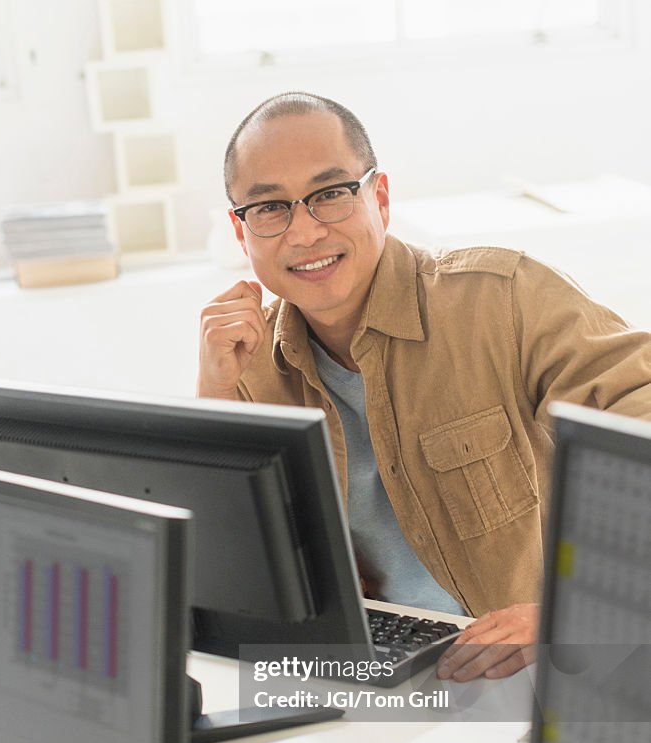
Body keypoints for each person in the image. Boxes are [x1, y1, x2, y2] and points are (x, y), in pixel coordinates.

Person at [197, 91, 651, 682]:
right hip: (369, 673)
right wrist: (214, 395)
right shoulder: (247, 364)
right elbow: (231, 582)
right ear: (241, 233)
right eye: (269, 208)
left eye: (331, 195)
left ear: (379, 199)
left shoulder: (502, 298)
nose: (304, 232)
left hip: (533, 670)